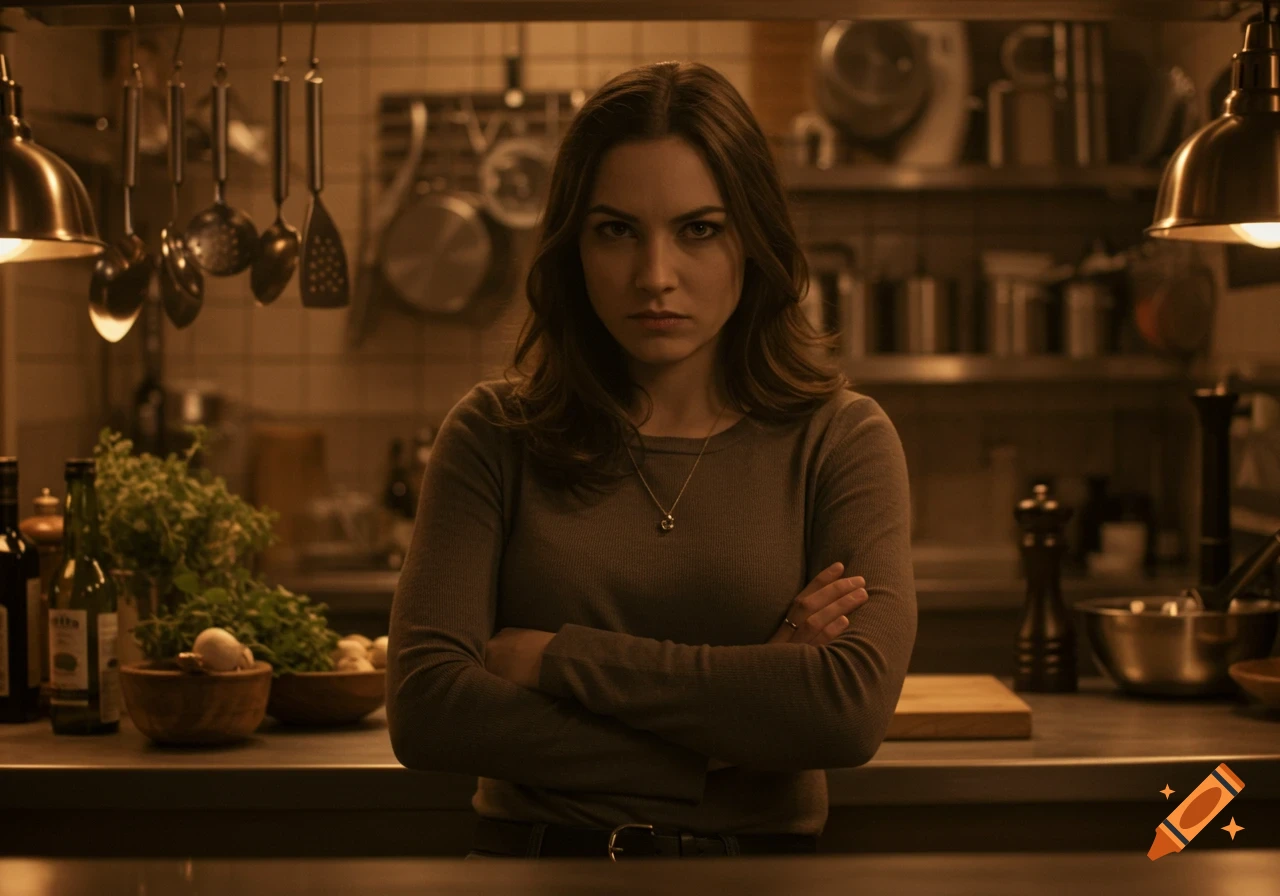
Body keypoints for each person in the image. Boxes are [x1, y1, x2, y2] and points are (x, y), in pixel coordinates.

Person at [386, 60, 917, 861]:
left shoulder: (841, 439)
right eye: (616, 230)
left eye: (698, 229)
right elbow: (429, 709)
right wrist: (722, 740)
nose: (655, 276)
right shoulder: (495, 433)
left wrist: (556, 657)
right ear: (573, 246)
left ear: (753, 238)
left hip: (758, 882)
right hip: (533, 869)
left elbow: (842, 710)